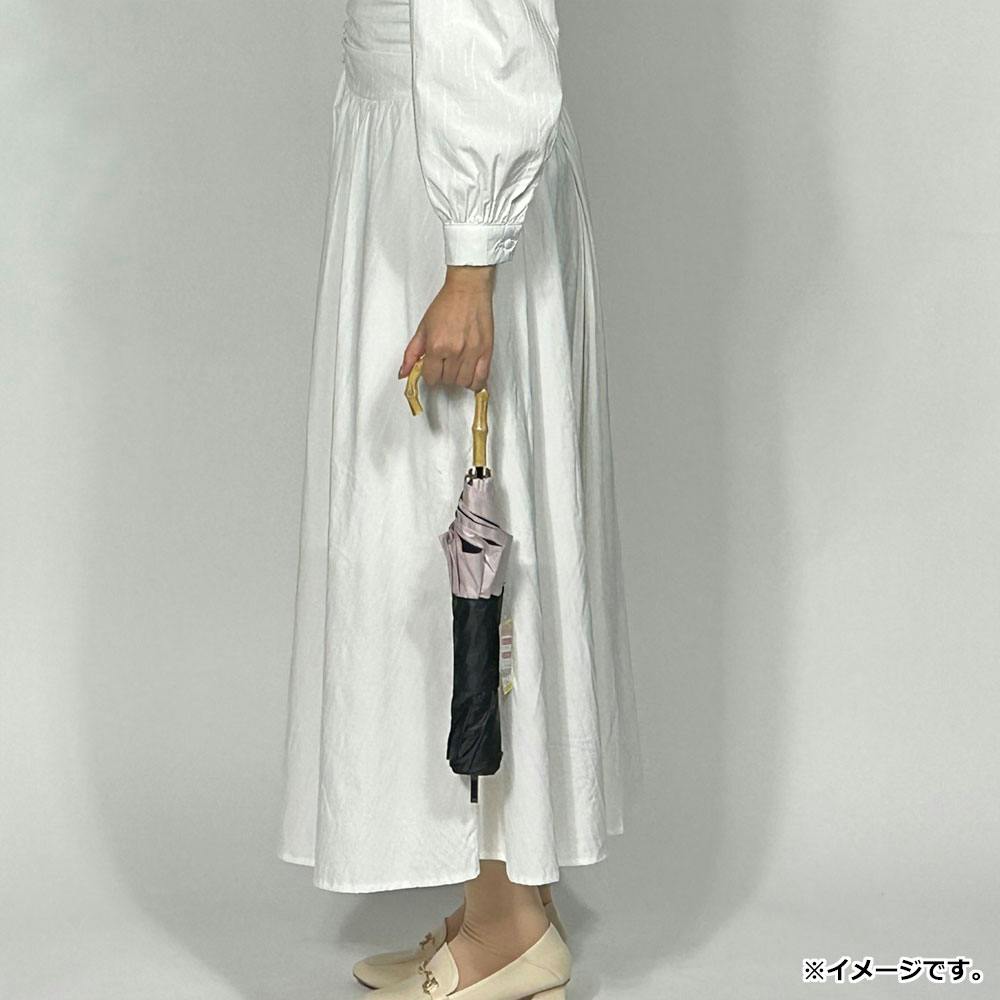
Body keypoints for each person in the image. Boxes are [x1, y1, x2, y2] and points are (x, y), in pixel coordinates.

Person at [277, 0, 643, 996]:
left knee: (457, 543)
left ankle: (507, 927)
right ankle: (507, 897)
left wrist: (470, 259)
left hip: (443, 193)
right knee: (468, 536)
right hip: (425, 160)